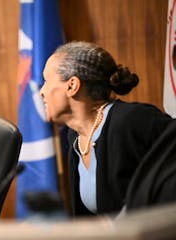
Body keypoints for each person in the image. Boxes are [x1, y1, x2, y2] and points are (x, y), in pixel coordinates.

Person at [40, 41, 173, 216]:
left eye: (46, 80)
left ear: (72, 85)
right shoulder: (75, 137)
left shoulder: (132, 120)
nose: (42, 91)